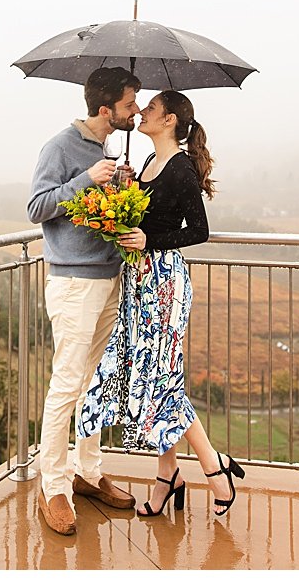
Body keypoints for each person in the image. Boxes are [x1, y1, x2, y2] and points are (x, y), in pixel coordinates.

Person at [76, 90, 246, 518]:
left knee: (164, 379)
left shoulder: (181, 168)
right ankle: (167, 474)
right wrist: (124, 190)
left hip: (164, 283)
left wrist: (152, 240)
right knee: (152, 380)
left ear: (169, 120)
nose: (141, 112)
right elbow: (145, 217)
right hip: (137, 280)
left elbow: (199, 231)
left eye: (149, 108)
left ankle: (212, 465)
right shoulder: (149, 164)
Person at [27, 66, 141, 536]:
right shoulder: (59, 146)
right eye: (131, 104)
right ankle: (53, 486)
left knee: (97, 384)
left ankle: (87, 473)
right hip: (73, 284)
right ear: (105, 109)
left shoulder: (106, 149)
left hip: (108, 278)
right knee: (68, 385)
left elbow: (96, 214)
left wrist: (120, 184)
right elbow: (37, 207)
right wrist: (86, 179)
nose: (135, 111)